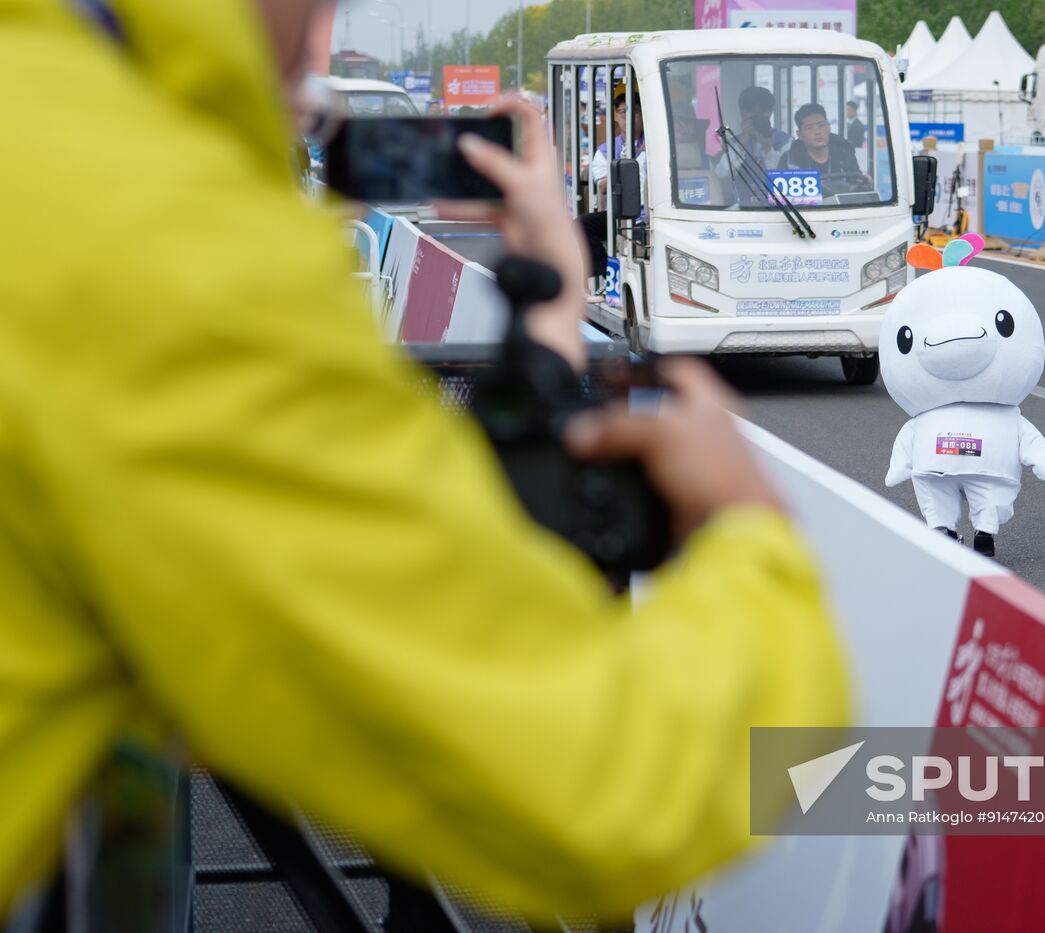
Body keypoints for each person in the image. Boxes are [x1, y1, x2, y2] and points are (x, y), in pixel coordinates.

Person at [0, 0, 851, 924]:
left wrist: (549, 316)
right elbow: (605, 787)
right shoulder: (156, 245)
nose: (324, 35)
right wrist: (750, 528)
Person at [580, 86, 646, 276]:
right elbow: (601, 185)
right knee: (581, 225)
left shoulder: (654, 143)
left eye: (635, 111)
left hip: (648, 214)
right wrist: (623, 173)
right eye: (623, 111)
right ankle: (605, 272)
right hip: (621, 213)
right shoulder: (605, 150)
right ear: (616, 116)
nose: (629, 116)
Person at [778, 103, 867, 193]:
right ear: (799, 135)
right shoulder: (789, 159)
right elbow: (782, 198)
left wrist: (864, 183)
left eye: (821, 125)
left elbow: (856, 185)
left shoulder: (845, 152)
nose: (817, 132)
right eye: (809, 128)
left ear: (828, 128)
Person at [736, 85, 792, 168]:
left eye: (762, 112)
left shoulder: (785, 141)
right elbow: (722, 174)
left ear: (770, 112)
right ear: (742, 114)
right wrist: (742, 143)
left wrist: (767, 146)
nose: (758, 118)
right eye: (752, 112)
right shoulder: (734, 142)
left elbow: (785, 174)